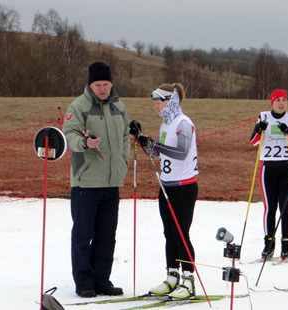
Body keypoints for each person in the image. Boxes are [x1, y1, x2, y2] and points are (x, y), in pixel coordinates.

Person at [63, 62, 130, 298]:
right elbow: (69, 134)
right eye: (98, 84)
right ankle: (84, 282)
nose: (102, 88)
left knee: (106, 235)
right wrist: (85, 143)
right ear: (90, 85)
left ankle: (102, 279)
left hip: (112, 182)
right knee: (83, 235)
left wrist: (123, 161)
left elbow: (125, 136)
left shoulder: (119, 107)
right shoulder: (79, 106)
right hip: (86, 184)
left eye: (106, 84)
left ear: (111, 84)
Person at [134, 83, 199, 299]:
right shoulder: (165, 126)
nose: (155, 107)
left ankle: (189, 281)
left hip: (184, 187)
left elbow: (181, 152)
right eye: (154, 103)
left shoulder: (183, 123)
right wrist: (142, 139)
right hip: (166, 186)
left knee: (181, 234)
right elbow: (157, 155)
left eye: (158, 102)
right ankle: (172, 278)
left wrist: (155, 144)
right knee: (169, 234)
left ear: (171, 102)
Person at [250, 89, 288, 260]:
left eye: (284, 100)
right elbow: (253, 142)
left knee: (285, 208)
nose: (281, 103)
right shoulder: (263, 116)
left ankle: (286, 243)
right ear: (271, 102)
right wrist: (259, 129)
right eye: (277, 100)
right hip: (268, 167)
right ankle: (268, 244)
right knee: (270, 208)